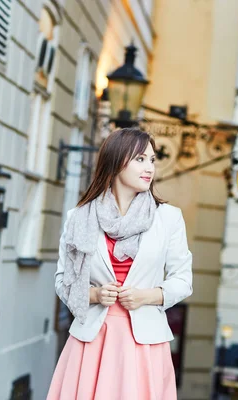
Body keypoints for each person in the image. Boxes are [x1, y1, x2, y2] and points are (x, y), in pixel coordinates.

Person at [46, 128, 193, 399]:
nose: (149, 167)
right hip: (92, 339)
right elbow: (63, 280)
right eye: (140, 159)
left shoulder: (168, 218)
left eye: (152, 159)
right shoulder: (79, 217)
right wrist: (95, 294)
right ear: (116, 162)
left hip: (144, 342)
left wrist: (145, 296)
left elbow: (182, 281)